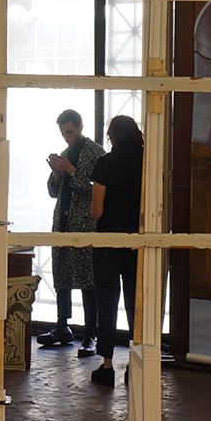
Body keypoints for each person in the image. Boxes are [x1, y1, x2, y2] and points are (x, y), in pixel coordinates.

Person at [39, 108, 105, 356]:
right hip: (63, 221)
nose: (67, 136)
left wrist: (71, 170)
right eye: (63, 133)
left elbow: (95, 188)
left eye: (70, 131)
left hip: (86, 224)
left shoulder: (96, 153)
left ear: (80, 127)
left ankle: (91, 335)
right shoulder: (65, 154)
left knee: (88, 280)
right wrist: (57, 172)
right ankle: (61, 326)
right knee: (62, 276)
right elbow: (53, 192)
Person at [89, 115, 144, 387]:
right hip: (139, 242)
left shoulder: (105, 164)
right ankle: (136, 364)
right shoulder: (147, 162)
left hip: (108, 242)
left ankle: (107, 365)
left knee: (107, 302)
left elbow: (96, 210)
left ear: (111, 136)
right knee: (136, 303)